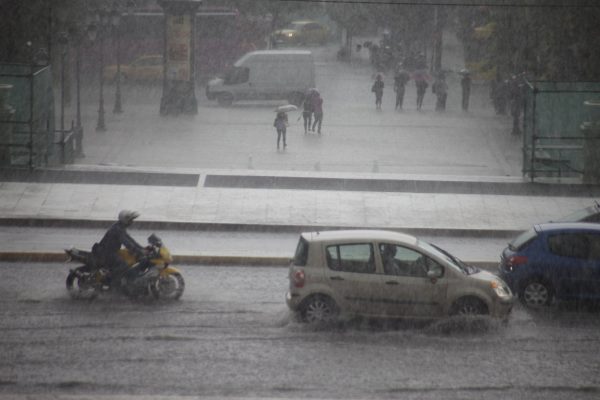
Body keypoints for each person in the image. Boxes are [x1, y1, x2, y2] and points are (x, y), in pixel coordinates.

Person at [92, 210, 146, 287]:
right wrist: (138, 251)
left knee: (127, 258)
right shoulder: (117, 229)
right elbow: (127, 243)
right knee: (124, 264)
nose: (132, 222)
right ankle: (110, 280)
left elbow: (130, 240)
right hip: (107, 252)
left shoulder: (120, 227)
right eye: (130, 220)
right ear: (125, 220)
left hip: (109, 251)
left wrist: (142, 248)